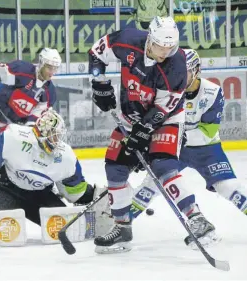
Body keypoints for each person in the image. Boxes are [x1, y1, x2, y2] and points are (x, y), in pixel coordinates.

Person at [88, 16, 191, 254]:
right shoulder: (128, 39)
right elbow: (96, 53)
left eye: (170, 48)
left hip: (166, 120)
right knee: (114, 166)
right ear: (149, 40)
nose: (164, 53)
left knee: (164, 167)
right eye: (160, 47)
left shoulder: (176, 64)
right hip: (130, 117)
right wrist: (99, 82)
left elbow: (164, 107)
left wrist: (143, 131)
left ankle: (196, 219)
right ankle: (122, 228)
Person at [131, 49, 247, 246]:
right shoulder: (165, 90)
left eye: (184, 72)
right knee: (152, 184)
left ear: (197, 70)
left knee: (227, 187)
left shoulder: (212, 91)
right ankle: (121, 221)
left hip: (206, 149)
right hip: (175, 147)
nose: (179, 77)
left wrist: (172, 137)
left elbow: (208, 131)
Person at [0, 48, 61, 136]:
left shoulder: (49, 92)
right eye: (49, 68)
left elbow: (35, 116)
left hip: (19, 129)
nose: (52, 72)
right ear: (42, 63)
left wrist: (26, 132)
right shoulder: (22, 71)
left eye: (55, 68)